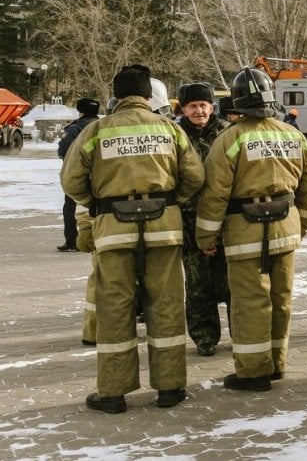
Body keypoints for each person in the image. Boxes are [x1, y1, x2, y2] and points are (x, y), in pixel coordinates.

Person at [60, 64, 205, 414]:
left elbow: (71, 180)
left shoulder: (97, 130)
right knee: (166, 306)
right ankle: (170, 388)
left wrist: (100, 203)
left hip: (114, 232)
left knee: (115, 308)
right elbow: (194, 176)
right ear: (146, 96)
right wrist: (171, 202)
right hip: (163, 230)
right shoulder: (170, 129)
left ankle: (112, 393)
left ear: (117, 95)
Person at [196, 68, 307, 392]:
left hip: (244, 232)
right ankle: (276, 363)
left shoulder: (230, 139)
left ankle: (253, 371)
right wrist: (302, 223)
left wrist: (206, 237)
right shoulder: (292, 134)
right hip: (285, 229)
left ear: (237, 101)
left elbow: (215, 194)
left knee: (250, 302)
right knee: (281, 298)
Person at [176, 82, 230, 357]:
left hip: (226, 221)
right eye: (193, 106)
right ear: (183, 109)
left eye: (203, 105)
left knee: (233, 283)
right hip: (190, 222)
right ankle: (204, 337)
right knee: (198, 286)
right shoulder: (176, 136)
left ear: (212, 107)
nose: (199, 111)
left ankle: (243, 332)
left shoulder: (227, 133)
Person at [57, 98, 100, 252]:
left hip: (79, 174)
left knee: (70, 206)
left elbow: (63, 150)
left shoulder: (74, 128)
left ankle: (72, 241)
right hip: (100, 175)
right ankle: (96, 237)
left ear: (80, 111)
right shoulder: (103, 125)